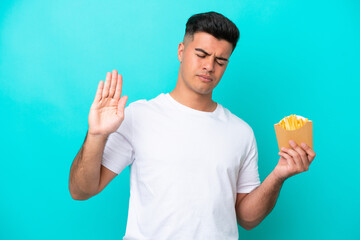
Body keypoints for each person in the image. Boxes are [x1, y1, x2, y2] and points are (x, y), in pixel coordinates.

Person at [69, 11, 316, 240]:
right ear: (181, 51)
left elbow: (247, 219)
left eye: (221, 60)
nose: (209, 66)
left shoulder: (241, 132)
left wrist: (278, 176)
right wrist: (96, 135)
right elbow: (81, 191)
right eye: (201, 55)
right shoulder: (139, 116)